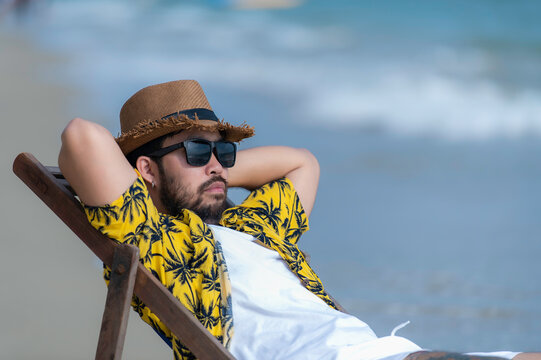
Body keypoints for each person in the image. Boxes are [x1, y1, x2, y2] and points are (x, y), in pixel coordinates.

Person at [58, 80, 539, 360]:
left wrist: (203, 173)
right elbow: (82, 137)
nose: (218, 163)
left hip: (384, 350)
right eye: (198, 150)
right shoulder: (152, 236)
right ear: (144, 171)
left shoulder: (253, 226)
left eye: (223, 150)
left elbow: (302, 162)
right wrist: (167, 185)